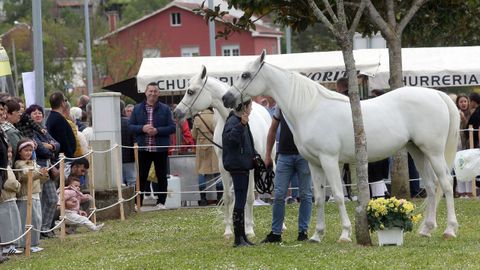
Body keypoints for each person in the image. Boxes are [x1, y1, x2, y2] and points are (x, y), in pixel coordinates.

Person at [261, 106, 312, 243]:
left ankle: (303, 231)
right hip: (284, 155)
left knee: (305, 194)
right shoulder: (281, 105)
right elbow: (272, 130)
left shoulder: (305, 103)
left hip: (303, 155)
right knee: (279, 195)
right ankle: (276, 232)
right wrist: (267, 155)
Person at [128, 82, 176, 209]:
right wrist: (142, 128)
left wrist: (158, 131)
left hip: (160, 148)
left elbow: (172, 128)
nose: (153, 93)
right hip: (144, 148)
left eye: (155, 91)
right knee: (141, 176)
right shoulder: (137, 108)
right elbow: (130, 127)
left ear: (158, 93)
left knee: (161, 176)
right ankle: (138, 203)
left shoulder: (165, 109)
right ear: (146, 93)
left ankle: (161, 202)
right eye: (150, 91)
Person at [222, 100, 255, 247]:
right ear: (245, 108)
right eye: (250, 106)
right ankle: (238, 238)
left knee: (241, 201)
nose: (252, 108)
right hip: (238, 166)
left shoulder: (239, 121)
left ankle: (242, 236)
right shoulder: (233, 121)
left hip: (243, 165)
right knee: (240, 202)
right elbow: (230, 140)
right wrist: (241, 125)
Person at [26, 104, 60, 238]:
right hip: (37, 169)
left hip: (48, 169)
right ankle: (38, 230)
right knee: (38, 201)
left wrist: (51, 146)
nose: (38, 115)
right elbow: (41, 150)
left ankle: (45, 228)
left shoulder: (43, 130)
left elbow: (57, 144)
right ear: (28, 116)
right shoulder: (30, 131)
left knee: (52, 199)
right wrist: (50, 147)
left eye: (40, 112)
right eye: (34, 113)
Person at [14, 139, 49, 253]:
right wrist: (38, 173)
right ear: (20, 152)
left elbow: (41, 179)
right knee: (27, 220)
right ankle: (26, 243)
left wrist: (43, 174)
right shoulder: (19, 163)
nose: (28, 153)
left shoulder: (33, 163)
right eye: (26, 150)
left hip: (35, 194)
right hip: (25, 196)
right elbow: (25, 176)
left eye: (30, 150)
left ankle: (34, 242)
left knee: (37, 219)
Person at [191, 108, 223, 206]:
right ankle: (219, 198)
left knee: (201, 172)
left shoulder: (197, 118)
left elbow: (194, 135)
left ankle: (203, 199)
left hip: (202, 149)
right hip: (215, 148)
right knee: (218, 173)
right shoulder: (216, 117)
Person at [0, 145, 22, 255]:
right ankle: (7, 245)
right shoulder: (4, 166)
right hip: (5, 197)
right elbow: (9, 182)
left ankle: (11, 244)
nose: (9, 154)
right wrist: (18, 186)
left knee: (13, 222)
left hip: (11, 197)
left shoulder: (7, 165)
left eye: (10, 152)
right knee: (6, 223)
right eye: (7, 152)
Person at [335, 77, 352, 199]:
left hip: (340, 138)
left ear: (339, 87)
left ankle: (340, 194)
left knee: (337, 167)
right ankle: (356, 194)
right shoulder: (355, 98)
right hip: (354, 138)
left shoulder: (337, 99)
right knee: (355, 167)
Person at [46, 91, 77, 158]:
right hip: (63, 159)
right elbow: (63, 141)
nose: (66, 102)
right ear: (62, 103)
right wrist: (70, 157)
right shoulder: (58, 119)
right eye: (65, 100)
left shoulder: (53, 117)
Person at [456, 94, 473, 198]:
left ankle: (470, 191)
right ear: (458, 103)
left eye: (465, 101)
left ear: (468, 102)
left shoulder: (472, 114)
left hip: (469, 144)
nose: (463, 103)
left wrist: (463, 119)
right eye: (461, 102)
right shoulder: (455, 113)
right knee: (460, 166)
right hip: (458, 145)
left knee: (469, 167)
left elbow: (469, 128)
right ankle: (461, 191)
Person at [120, 101, 136, 186]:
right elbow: (134, 140)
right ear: (123, 110)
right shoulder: (129, 122)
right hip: (129, 156)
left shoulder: (109, 123)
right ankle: (133, 199)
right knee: (132, 179)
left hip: (113, 157)